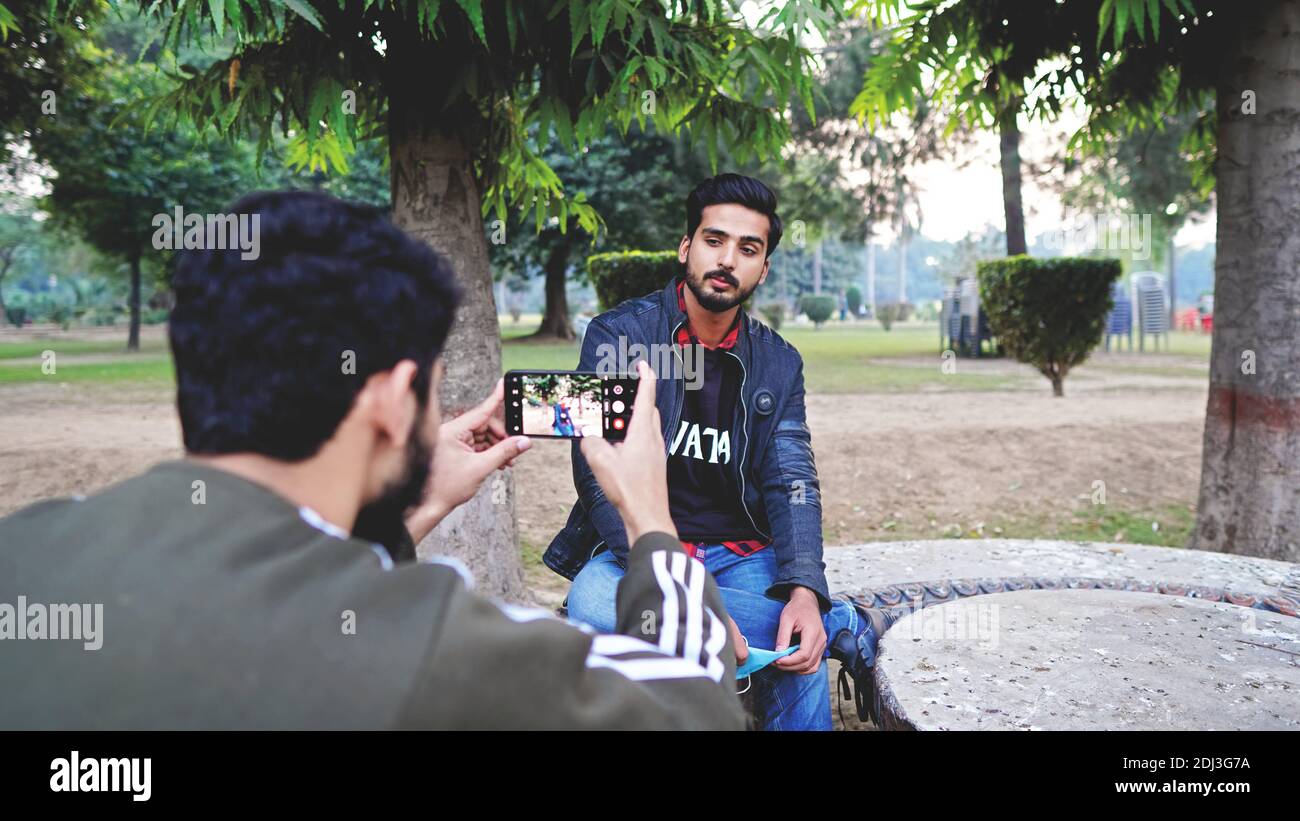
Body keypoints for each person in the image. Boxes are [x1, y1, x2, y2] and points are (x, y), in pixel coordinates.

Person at [0, 190, 746, 730]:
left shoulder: (27, 553)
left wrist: (411, 511)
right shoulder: (425, 646)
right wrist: (651, 518)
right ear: (393, 400)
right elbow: (695, 707)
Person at [546, 174, 881, 730]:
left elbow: (792, 478)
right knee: (593, 604)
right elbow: (594, 469)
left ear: (763, 268)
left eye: (748, 249)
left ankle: (813, 618)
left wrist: (803, 590)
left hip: (741, 549)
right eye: (714, 240)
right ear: (686, 248)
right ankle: (844, 619)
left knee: (796, 644)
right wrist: (683, 589)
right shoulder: (617, 335)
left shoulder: (779, 361)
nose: (728, 260)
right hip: (639, 542)